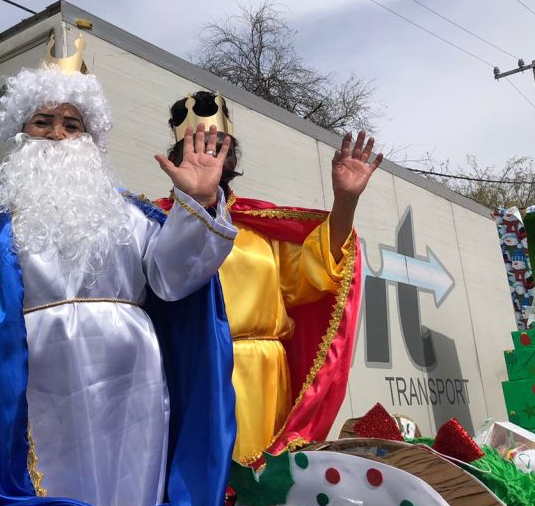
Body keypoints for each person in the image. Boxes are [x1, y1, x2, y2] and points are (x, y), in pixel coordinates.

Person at [0, 36, 237, 506]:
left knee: (129, 494)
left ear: (91, 136)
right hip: (37, 379)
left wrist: (199, 205)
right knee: (54, 494)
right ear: (20, 132)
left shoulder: (131, 214)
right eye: (43, 121)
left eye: (72, 123)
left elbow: (175, 280)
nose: (58, 134)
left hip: (130, 384)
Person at [157, 91, 378, 465]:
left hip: (265, 376)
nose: (207, 154)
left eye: (218, 145)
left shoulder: (261, 229)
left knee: (262, 493)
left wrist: (345, 203)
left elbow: (317, 274)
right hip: (194, 371)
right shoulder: (159, 224)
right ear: (178, 159)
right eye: (196, 146)